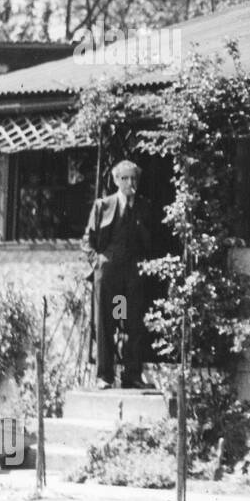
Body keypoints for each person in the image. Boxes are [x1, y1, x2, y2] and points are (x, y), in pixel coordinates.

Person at [82, 160, 154, 390]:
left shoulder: (144, 206)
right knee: (106, 321)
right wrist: (97, 263)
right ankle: (105, 375)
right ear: (116, 181)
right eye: (124, 178)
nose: (129, 183)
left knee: (133, 321)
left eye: (133, 178)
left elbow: (151, 240)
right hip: (108, 271)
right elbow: (88, 240)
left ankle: (132, 375)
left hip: (133, 272)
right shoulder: (103, 205)